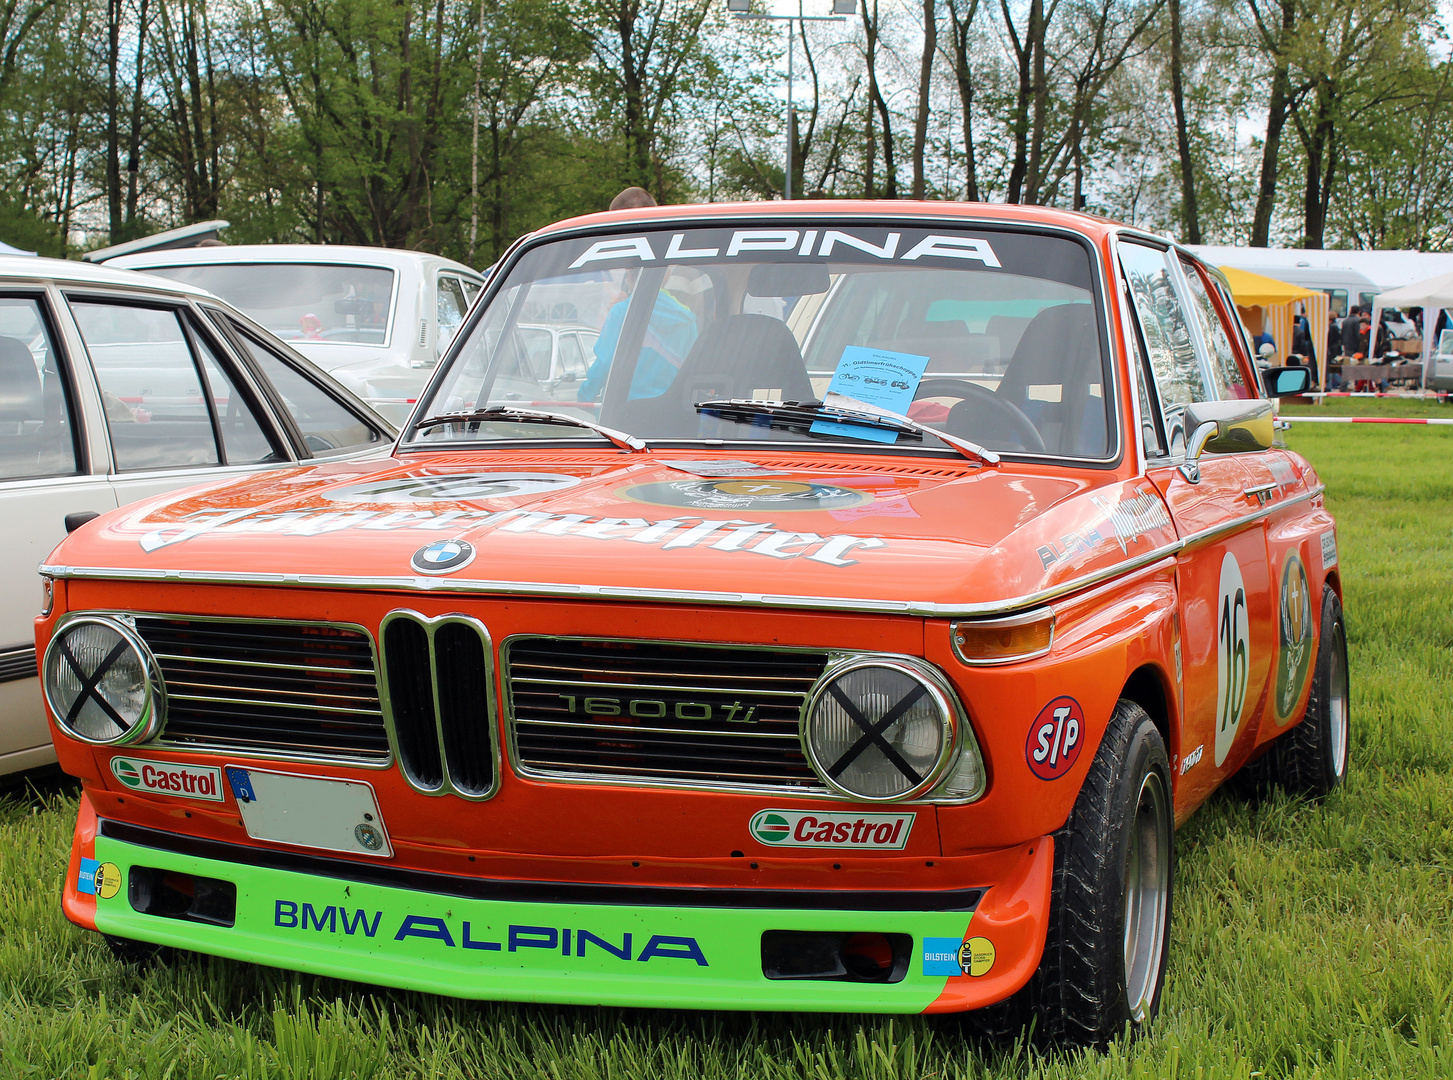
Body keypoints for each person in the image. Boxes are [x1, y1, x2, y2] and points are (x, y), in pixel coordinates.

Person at [579, 186, 699, 402]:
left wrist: (582, 400)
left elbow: (602, 367)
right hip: (673, 417)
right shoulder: (688, 318)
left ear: (628, 270)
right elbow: (694, 371)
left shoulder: (620, 313)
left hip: (625, 418)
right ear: (666, 274)